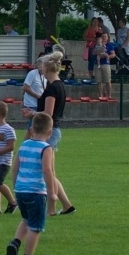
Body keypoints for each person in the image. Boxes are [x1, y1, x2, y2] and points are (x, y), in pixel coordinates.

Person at [6, 112, 57, 255]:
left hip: (21, 190)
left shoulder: (24, 145)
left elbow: (15, 169)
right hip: (36, 191)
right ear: (50, 132)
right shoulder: (46, 148)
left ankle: (15, 242)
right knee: (36, 226)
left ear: (31, 129)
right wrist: (52, 192)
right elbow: (47, 170)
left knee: (27, 219)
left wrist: (16, 186)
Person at [37, 58, 75, 214]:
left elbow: (48, 114)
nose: (41, 70)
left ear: (47, 69)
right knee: (50, 172)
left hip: (50, 131)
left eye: (42, 67)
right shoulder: (59, 85)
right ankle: (67, 206)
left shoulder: (53, 87)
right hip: (54, 130)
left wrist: (32, 113)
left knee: (49, 172)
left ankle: (53, 207)